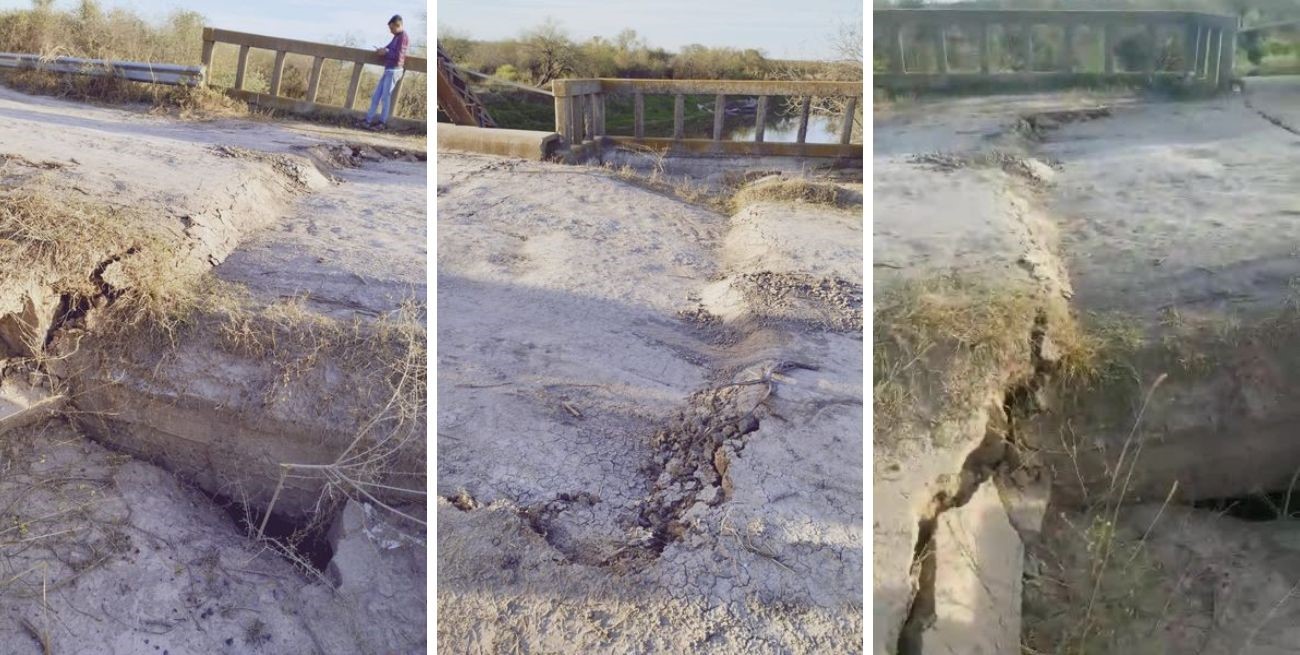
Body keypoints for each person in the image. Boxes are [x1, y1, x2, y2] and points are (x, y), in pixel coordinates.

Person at [362, 14, 410, 131]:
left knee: (385, 98)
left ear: (398, 25)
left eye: (392, 28)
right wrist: (382, 50)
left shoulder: (403, 37)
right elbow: (388, 48)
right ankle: (368, 120)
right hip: (389, 69)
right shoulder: (397, 36)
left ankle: (382, 123)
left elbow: (399, 56)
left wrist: (386, 52)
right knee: (376, 96)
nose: (390, 31)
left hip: (394, 70)